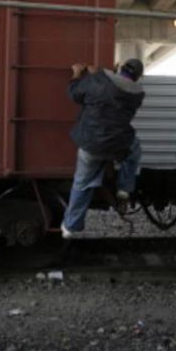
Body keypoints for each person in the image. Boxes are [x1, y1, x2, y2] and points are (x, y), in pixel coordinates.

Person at [61, 59, 145, 239]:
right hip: (118, 144)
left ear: (120, 68)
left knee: (82, 184)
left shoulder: (98, 80)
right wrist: (97, 76)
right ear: (138, 76)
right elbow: (114, 92)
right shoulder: (138, 94)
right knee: (135, 150)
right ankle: (124, 188)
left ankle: (70, 227)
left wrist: (77, 73)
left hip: (91, 144)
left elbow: (74, 94)